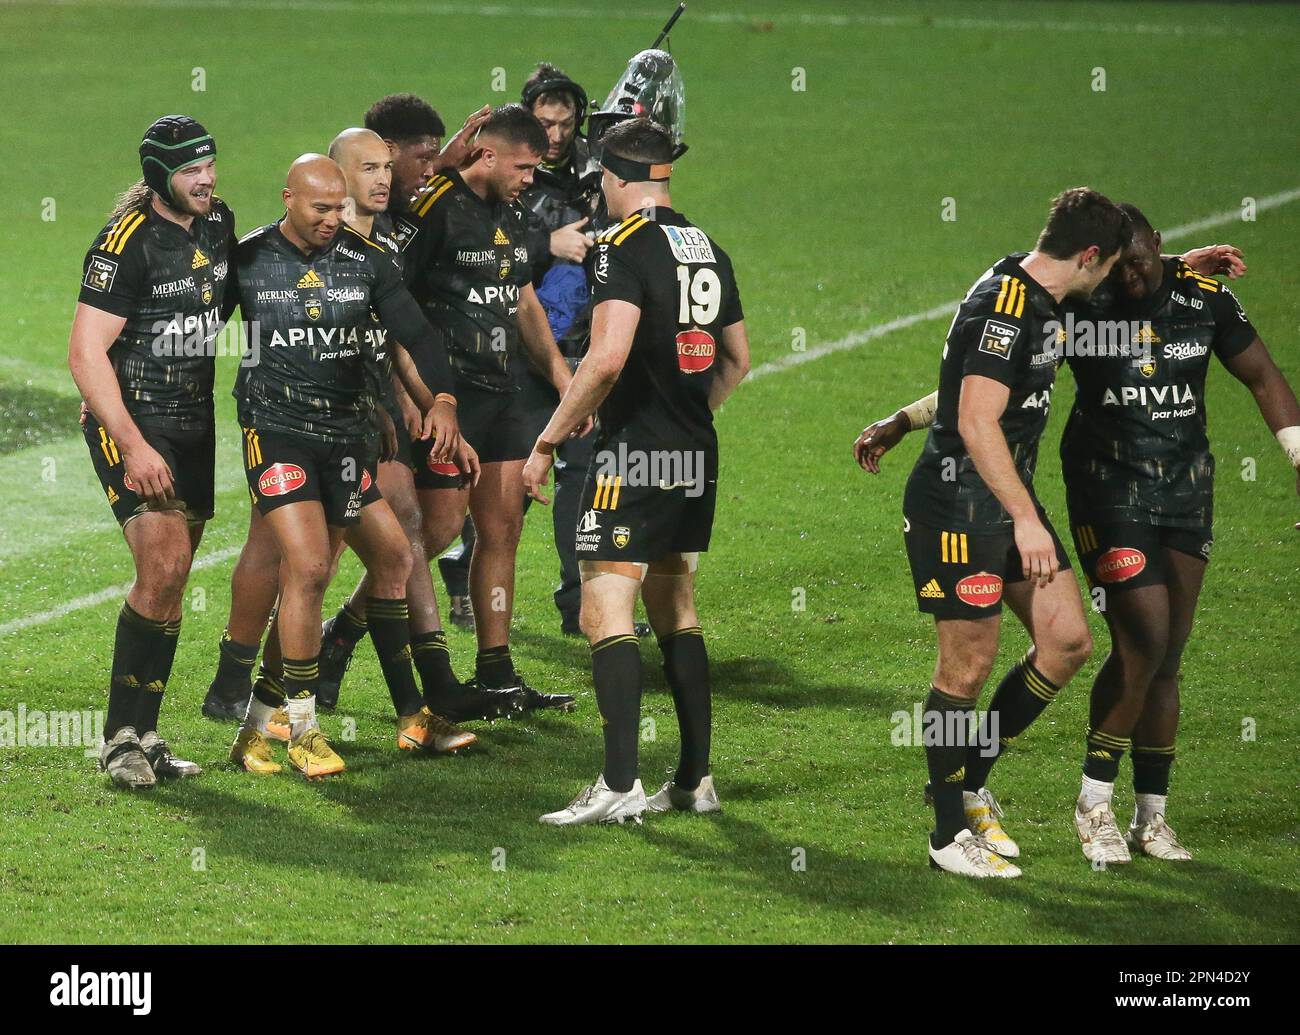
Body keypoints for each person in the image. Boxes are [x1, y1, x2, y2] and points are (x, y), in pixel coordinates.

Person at [876, 188, 1130, 878]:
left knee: (1068, 639)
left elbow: (963, 387)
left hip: (1004, 495)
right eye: (1108, 267)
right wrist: (1024, 519)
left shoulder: (1037, 295)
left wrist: (901, 418)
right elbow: (976, 419)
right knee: (965, 665)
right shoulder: (1008, 308)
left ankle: (969, 778)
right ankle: (946, 832)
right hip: (960, 507)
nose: (1107, 280)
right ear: (1086, 255)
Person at [523, 117, 751, 825]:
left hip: (634, 455)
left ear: (615, 179)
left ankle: (619, 782)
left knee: (602, 608)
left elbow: (608, 355)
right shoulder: (706, 247)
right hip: (693, 450)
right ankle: (692, 779)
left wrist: (548, 440)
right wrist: (684, 414)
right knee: (675, 606)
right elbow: (739, 360)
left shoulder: (620, 246)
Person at [226, 154, 466, 778]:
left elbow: (418, 335)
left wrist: (440, 400)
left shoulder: (365, 261)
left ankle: (254, 725)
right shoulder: (247, 260)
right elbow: (190, 327)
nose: (336, 218)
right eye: (322, 208)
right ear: (288, 198)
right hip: (276, 434)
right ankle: (303, 728)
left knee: (391, 554)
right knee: (307, 567)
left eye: (341, 207)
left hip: (346, 440)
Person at [402, 104, 587, 713]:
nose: (532, 177)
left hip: (504, 392)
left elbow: (524, 300)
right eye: (523, 165)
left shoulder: (515, 213)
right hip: (448, 399)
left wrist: (562, 379)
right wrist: (411, 397)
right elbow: (390, 298)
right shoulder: (432, 209)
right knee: (436, 532)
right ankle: (344, 634)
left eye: (536, 168)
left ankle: (496, 671)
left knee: (502, 529)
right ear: (486, 154)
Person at [69, 115, 234, 787]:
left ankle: (147, 734)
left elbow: (213, 306)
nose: (208, 178)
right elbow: (85, 352)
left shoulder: (218, 223)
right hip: (135, 426)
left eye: (211, 164)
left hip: (193, 425)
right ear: (159, 175)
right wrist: (130, 440)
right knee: (162, 564)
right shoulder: (125, 244)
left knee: (173, 580)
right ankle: (118, 740)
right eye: (193, 169)